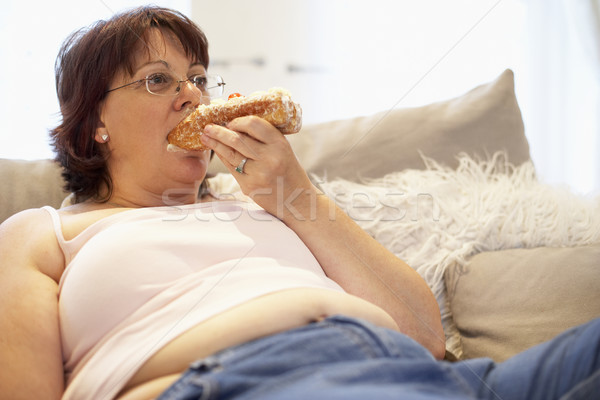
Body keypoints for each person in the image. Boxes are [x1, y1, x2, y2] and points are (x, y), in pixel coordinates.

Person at [0, 6, 597, 400]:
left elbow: (423, 335)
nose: (192, 95)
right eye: (159, 80)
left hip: (424, 374)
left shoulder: (267, 203)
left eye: (199, 78)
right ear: (95, 120)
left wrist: (297, 196)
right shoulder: (42, 233)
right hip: (244, 380)